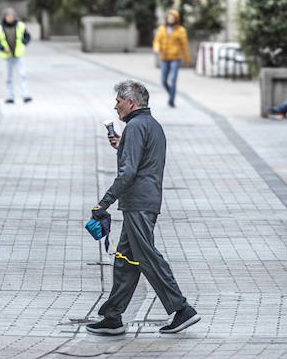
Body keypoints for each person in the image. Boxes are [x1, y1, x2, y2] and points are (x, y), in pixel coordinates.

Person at [86, 80, 201, 337]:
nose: (115, 106)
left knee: (147, 256)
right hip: (145, 201)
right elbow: (143, 158)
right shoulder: (150, 125)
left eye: (118, 101)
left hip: (138, 203)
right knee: (126, 260)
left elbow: (128, 173)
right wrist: (122, 146)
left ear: (131, 103)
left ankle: (181, 309)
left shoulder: (136, 127)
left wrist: (103, 203)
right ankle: (112, 316)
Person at [152, 10, 191, 108]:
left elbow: (184, 46)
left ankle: (171, 100)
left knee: (173, 79)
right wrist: (156, 48)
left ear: (176, 19)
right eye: (169, 17)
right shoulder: (161, 29)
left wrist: (187, 59)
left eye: (172, 18)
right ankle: (171, 94)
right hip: (164, 58)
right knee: (164, 81)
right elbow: (157, 41)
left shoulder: (181, 30)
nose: (170, 19)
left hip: (175, 58)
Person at [0, 8, 31, 104]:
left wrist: (22, 43)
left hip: (18, 54)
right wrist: (2, 48)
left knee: (22, 75)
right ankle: (10, 97)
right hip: (6, 56)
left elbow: (27, 37)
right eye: (8, 16)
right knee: (7, 77)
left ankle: (25, 95)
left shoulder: (20, 26)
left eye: (11, 16)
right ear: (4, 17)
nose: (10, 18)